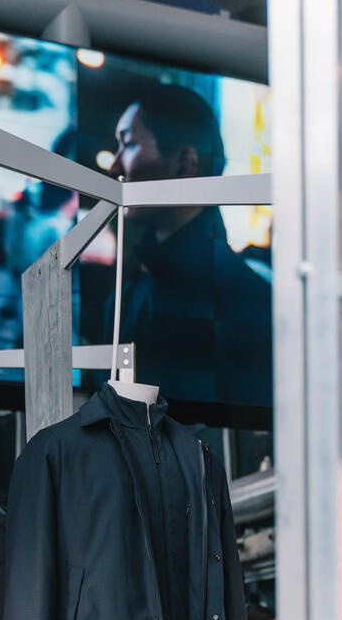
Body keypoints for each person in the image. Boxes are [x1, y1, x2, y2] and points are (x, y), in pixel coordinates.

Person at [104, 82, 272, 407]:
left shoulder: (249, 302)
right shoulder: (123, 302)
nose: (114, 166)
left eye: (129, 144)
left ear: (184, 163)